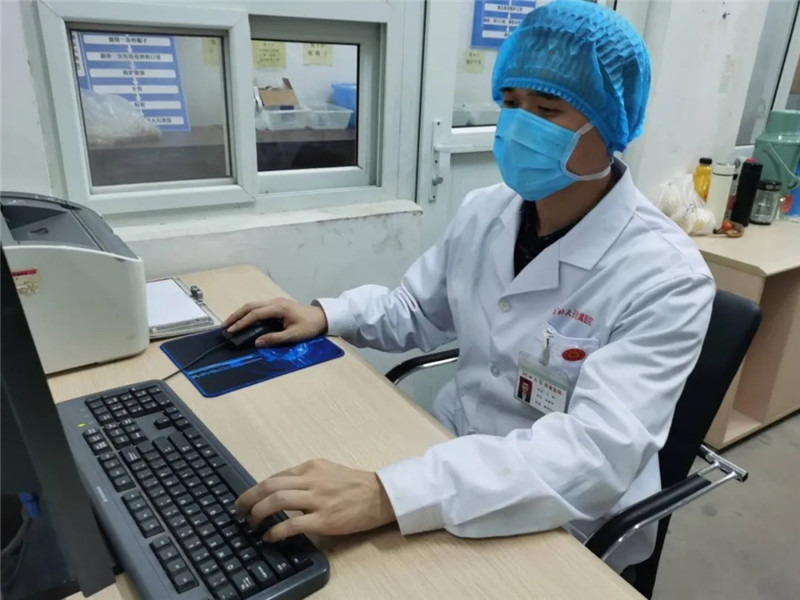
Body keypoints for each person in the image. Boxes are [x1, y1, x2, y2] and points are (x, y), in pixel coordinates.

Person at [229, 0, 715, 572]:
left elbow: (594, 455)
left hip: (564, 516)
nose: (519, 123)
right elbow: (416, 309)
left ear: (610, 125)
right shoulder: (488, 211)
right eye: (509, 102)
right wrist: (329, 316)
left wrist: (389, 494)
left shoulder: (667, 277)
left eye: (547, 108)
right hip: (449, 452)